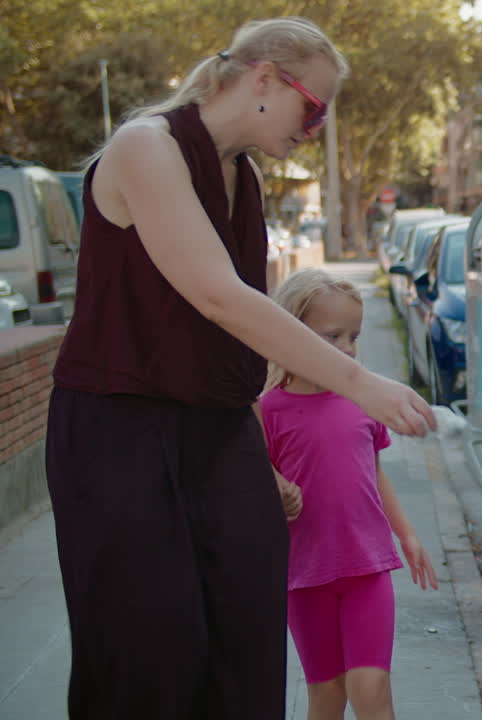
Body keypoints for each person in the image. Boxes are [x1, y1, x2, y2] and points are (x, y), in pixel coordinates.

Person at [45, 17, 437, 719]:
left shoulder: (243, 176)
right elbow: (219, 297)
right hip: (120, 432)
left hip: (219, 431)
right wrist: (361, 384)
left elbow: (236, 333)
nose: (314, 129)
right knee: (149, 656)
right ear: (264, 78)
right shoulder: (146, 146)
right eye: (312, 109)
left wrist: (261, 450)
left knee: (246, 647)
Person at [260, 268, 439, 720]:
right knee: (327, 694)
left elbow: (373, 471)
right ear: (291, 333)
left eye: (353, 337)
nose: (346, 349)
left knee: (371, 687)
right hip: (304, 574)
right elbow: (255, 484)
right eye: (331, 337)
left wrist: (407, 534)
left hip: (367, 566)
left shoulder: (364, 400)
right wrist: (275, 486)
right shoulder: (268, 410)